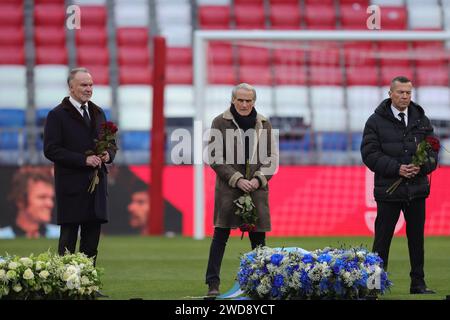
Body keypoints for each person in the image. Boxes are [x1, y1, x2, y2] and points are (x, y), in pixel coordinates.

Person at [361, 76, 438, 294]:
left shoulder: (422, 120)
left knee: (417, 239)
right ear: (390, 94)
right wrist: (398, 169)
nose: (405, 96)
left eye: (408, 93)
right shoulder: (374, 122)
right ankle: (373, 286)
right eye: (400, 92)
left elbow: (433, 151)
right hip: (388, 190)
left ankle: (418, 284)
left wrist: (420, 167)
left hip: (417, 189)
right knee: (382, 239)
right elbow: (369, 154)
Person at [204, 83, 278, 297]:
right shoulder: (219, 122)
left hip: (256, 190)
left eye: (249, 100)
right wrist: (236, 179)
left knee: (259, 241)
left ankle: (263, 283)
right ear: (233, 100)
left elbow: (272, 159)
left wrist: (258, 179)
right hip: (229, 189)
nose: (245, 104)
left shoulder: (265, 123)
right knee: (220, 235)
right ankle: (212, 284)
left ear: (254, 102)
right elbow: (215, 157)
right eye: (241, 100)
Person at [43, 67, 116, 266]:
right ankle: (65, 285)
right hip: (72, 186)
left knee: (91, 241)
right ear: (71, 87)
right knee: (68, 240)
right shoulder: (57, 115)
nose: (88, 89)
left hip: (96, 187)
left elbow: (111, 143)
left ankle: (87, 284)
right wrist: (82, 160)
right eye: (84, 85)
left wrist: (108, 154)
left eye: (91, 84)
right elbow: (51, 149)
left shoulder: (98, 112)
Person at [0, 166, 59, 239]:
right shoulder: (3, 237)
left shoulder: (60, 235)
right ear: (20, 201)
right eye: (42, 197)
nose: (50, 204)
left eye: (51, 198)